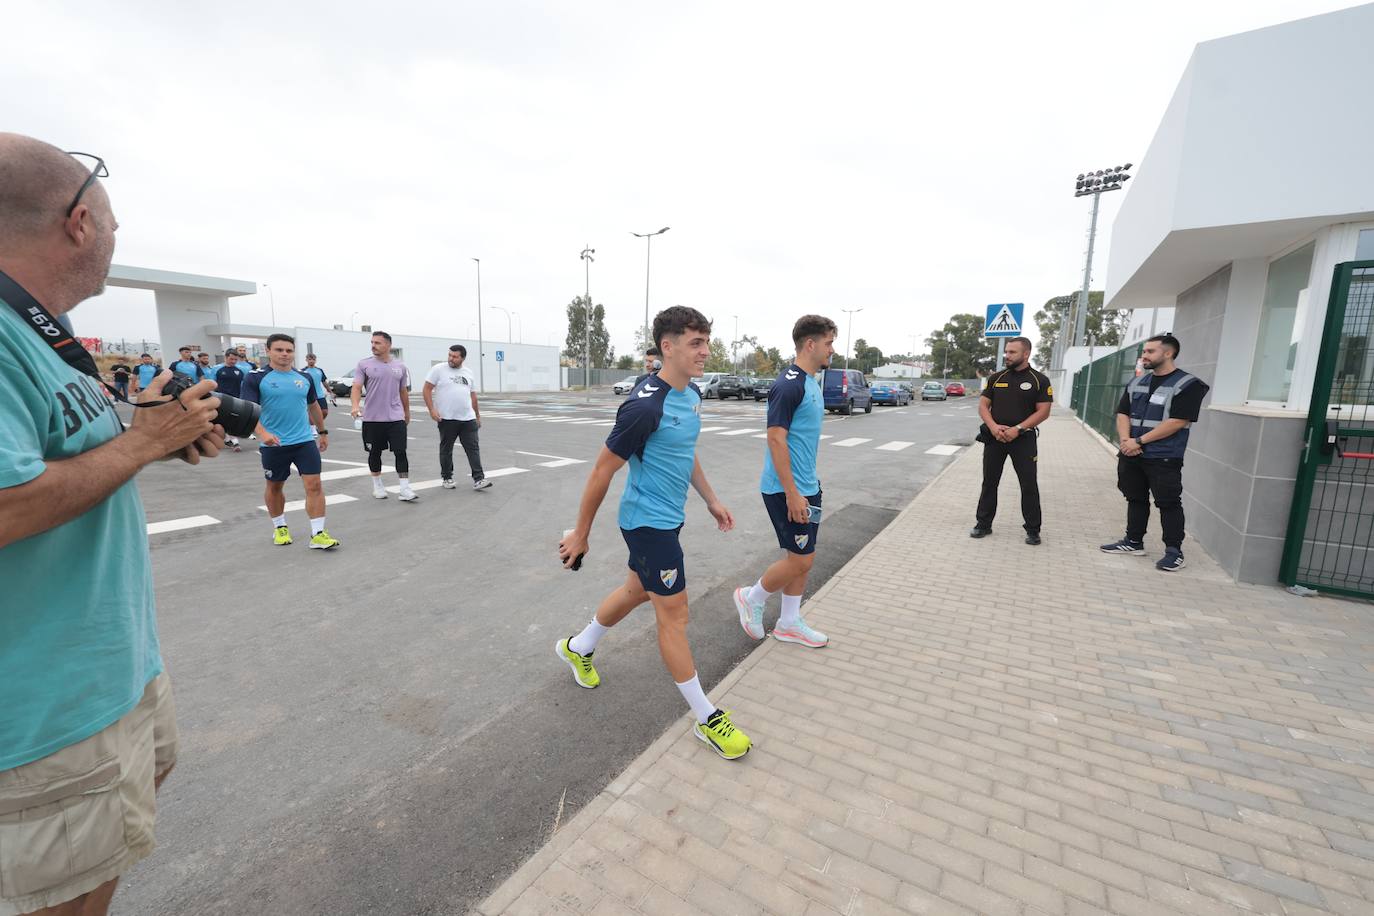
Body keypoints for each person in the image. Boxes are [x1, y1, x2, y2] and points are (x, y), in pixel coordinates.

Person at [0, 132, 225, 916]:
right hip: (41, 714)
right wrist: (140, 441)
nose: (116, 236)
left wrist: (151, 445)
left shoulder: (40, 333)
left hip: (111, 673)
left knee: (105, 862)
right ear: (79, 224)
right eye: (115, 222)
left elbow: (51, 460)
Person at [556, 306, 750, 761]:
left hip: (669, 518)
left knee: (636, 590)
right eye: (695, 343)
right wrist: (581, 533)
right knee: (674, 615)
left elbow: (685, 451)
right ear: (668, 346)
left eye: (706, 341)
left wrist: (710, 499)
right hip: (647, 524)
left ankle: (577, 647)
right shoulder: (645, 405)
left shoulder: (692, 394)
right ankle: (707, 718)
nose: (705, 351)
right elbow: (602, 470)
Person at [733, 315, 836, 648]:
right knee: (800, 559)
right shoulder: (789, 383)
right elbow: (775, 439)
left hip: (807, 486)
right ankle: (752, 597)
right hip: (785, 489)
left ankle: (789, 622)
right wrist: (792, 493)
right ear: (811, 344)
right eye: (829, 343)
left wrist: (805, 488)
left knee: (803, 557)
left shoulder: (810, 382)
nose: (831, 350)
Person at [1100, 333, 1210, 572]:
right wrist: (1126, 440)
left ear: (1168, 353)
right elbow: (1122, 413)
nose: (1144, 356)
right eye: (1144, 352)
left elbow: (1178, 421)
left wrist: (1138, 440)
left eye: (1150, 351)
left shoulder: (1188, 385)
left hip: (1163, 455)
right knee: (1135, 498)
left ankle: (1174, 551)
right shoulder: (1137, 382)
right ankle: (1133, 541)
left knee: (1168, 502)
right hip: (1132, 453)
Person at [242, 333, 339, 549]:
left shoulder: (304, 378)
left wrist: (322, 432)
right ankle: (280, 527)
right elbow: (248, 410)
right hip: (274, 444)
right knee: (275, 486)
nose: (285, 354)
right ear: (268, 351)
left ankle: (318, 533)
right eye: (279, 350)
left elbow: (313, 405)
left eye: (289, 350)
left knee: (314, 484)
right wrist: (262, 434)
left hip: (304, 441)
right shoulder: (255, 377)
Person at [970, 336, 1052, 545]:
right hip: (995, 438)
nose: (1007, 355)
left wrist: (1018, 429)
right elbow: (982, 406)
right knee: (989, 482)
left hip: (1023, 439)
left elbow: (1044, 411)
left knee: (1028, 485)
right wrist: (993, 427)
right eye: (1006, 351)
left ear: (1026, 354)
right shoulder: (996, 377)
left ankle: (1033, 530)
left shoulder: (1039, 380)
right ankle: (983, 524)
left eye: (1012, 352)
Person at [351, 330, 417, 502]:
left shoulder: (400, 367)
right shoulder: (363, 364)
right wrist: (355, 405)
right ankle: (377, 485)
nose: (373, 346)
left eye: (378, 343)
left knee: (401, 452)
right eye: (372, 342)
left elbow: (403, 391)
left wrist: (406, 412)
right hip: (372, 418)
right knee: (375, 453)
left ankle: (404, 488)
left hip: (395, 418)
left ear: (388, 345)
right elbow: (357, 387)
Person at [424, 344, 490, 490]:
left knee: (473, 448)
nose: (451, 359)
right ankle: (447, 478)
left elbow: (473, 396)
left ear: (463, 358)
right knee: (446, 449)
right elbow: (427, 389)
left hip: (468, 418)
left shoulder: (468, 373)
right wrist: (431, 410)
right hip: (447, 418)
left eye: (455, 356)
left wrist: (477, 415)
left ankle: (479, 479)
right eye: (450, 355)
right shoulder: (438, 369)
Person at [214, 350, 246, 451]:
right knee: (224, 421)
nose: (233, 361)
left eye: (235, 359)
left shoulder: (240, 371)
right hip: (221, 399)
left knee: (233, 420)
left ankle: (231, 441)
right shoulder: (217, 369)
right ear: (226, 357)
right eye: (231, 359)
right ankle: (231, 441)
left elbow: (243, 385)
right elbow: (211, 383)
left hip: (235, 400)